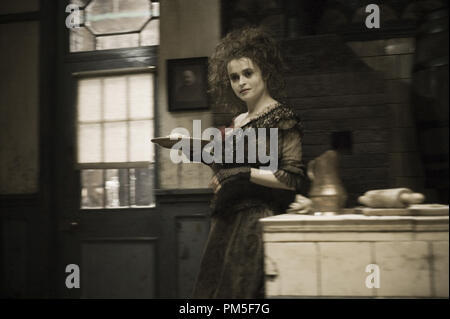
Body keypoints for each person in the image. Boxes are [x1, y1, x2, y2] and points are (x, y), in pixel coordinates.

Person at [191, 27, 307, 299]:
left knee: (240, 296)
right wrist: (202, 154)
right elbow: (226, 171)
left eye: (248, 73)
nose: (241, 82)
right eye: (234, 77)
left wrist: (241, 172)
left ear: (264, 71)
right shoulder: (237, 122)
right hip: (225, 220)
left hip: (256, 220)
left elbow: (291, 177)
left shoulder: (283, 117)